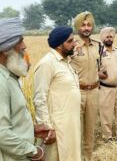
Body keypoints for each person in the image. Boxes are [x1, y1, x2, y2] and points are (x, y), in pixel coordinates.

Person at [33, 26, 81, 161]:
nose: (74, 44)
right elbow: (39, 98)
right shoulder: (47, 64)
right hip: (57, 128)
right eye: (70, 41)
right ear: (60, 45)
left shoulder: (66, 62)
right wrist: (47, 129)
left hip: (71, 125)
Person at [0, 17, 44, 161]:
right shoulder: (2, 82)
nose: (24, 46)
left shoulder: (10, 76)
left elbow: (12, 120)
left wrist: (31, 130)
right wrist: (34, 151)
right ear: (5, 50)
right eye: (20, 42)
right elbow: (2, 133)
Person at [70, 11, 101, 160]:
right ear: (78, 27)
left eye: (89, 25)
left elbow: (99, 67)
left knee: (90, 131)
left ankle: (88, 158)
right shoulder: (72, 46)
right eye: (83, 25)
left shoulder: (98, 46)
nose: (86, 28)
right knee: (75, 132)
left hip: (94, 92)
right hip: (77, 93)